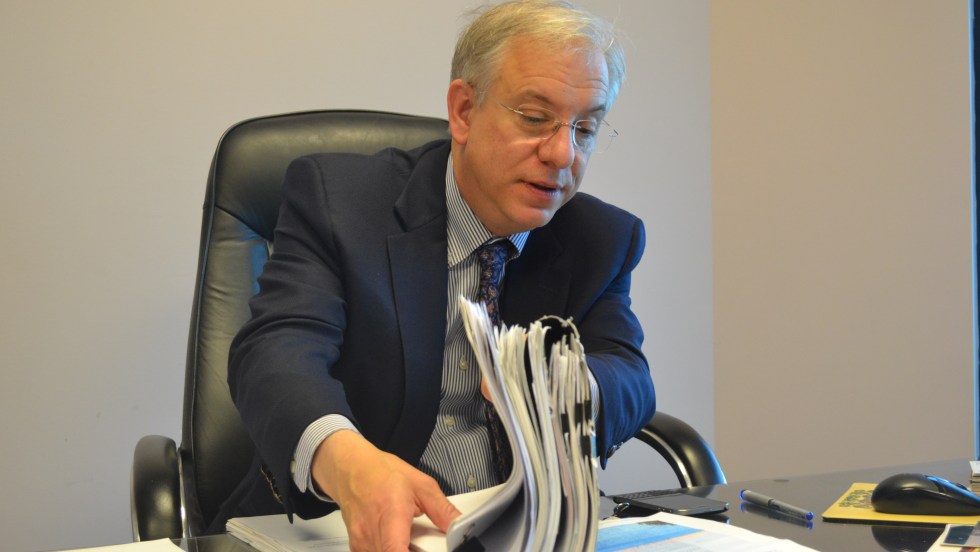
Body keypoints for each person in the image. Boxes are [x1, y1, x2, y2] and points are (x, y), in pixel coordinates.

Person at [211, 1, 656, 549]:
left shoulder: (600, 238)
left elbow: (630, 376)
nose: (563, 154)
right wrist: (350, 464)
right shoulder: (341, 203)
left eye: (585, 128)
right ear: (464, 111)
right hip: (341, 530)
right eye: (535, 118)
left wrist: (562, 385)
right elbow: (275, 351)